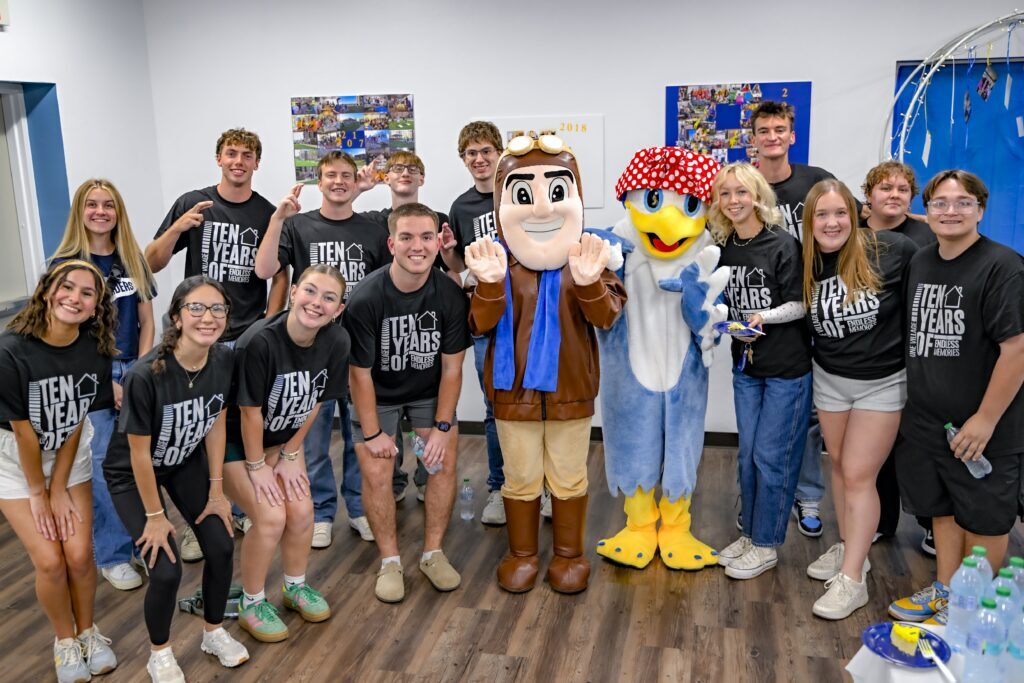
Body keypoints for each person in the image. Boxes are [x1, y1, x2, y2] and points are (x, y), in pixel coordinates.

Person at [466, 131, 626, 594]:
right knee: (519, 478)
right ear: (501, 202)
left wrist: (590, 281)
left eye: (556, 191)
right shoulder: (495, 260)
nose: (541, 209)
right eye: (523, 194)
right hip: (512, 395)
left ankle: (569, 554)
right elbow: (477, 323)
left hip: (570, 392)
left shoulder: (588, 257)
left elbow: (607, 318)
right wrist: (490, 284)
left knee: (569, 476)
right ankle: (521, 554)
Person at [145, 127, 288, 560]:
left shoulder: (266, 212)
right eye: (231, 153)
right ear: (219, 159)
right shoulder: (194, 202)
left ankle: (236, 505)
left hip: (242, 335)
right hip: (195, 336)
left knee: (241, 425)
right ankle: (195, 519)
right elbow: (150, 262)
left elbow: (279, 273)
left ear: (257, 163)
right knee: (193, 427)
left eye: (247, 155)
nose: (238, 161)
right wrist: (178, 229)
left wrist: (266, 323)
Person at [889, 170, 1024, 625]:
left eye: (963, 202)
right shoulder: (921, 262)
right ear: (927, 211)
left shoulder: (1003, 266)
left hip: (985, 428)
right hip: (928, 420)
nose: (951, 211)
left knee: (984, 520)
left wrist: (985, 420)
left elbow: (1017, 348)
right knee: (942, 511)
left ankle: (970, 610)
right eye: (941, 203)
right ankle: (946, 593)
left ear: (980, 210)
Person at [104, 276, 248, 682]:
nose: (208, 317)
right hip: (133, 473)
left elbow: (217, 421)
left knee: (220, 545)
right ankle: (159, 653)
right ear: (177, 317)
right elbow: (137, 454)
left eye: (218, 309)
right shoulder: (144, 374)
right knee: (165, 567)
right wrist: (154, 515)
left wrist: (218, 491)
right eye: (197, 308)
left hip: (183, 458)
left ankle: (214, 632)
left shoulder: (222, 359)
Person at [253, 151, 389, 549]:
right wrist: (277, 218)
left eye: (347, 176)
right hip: (310, 351)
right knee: (311, 438)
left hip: (361, 348)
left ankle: (360, 508)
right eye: (331, 175)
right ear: (319, 181)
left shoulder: (371, 228)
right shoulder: (297, 225)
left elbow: (385, 285)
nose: (339, 182)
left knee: (358, 434)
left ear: (355, 181)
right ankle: (323, 512)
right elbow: (264, 271)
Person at [801, 179, 917, 619]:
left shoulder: (890, 249)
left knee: (858, 476)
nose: (832, 223)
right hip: (830, 379)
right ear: (809, 223)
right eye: (822, 215)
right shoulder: (808, 262)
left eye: (840, 213)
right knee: (838, 465)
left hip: (882, 383)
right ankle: (854, 549)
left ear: (856, 214)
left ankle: (853, 581)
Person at [344, 202, 470, 604]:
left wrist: (444, 427)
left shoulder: (449, 294)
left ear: (438, 242)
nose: (418, 246)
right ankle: (390, 561)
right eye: (407, 237)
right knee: (379, 473)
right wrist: (372, 432)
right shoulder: (366, 298)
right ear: (392, 244)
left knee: (441, 463)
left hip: (427, 391)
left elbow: (452, 370)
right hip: (376, 393)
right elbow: (358, 375)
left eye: (426, 237)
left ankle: (433, 553)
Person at [0, 260, 118, 683]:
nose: (75, 297)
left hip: (68, 449)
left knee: (80, 554)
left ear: (96, 307)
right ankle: (64, 641)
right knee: (50, 561)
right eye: (67, 287)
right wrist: (40, 491)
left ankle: (88, 632)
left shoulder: (95, 348)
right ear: (48, 291)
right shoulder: (10, 349)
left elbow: (74, 419)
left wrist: (61, 485)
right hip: (16, 458)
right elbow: (25, 433)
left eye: (87, 293)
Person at [225, 265, 350, 642]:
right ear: (293, 292)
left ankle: (294, 587)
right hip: (233, 445)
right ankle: (252, 602)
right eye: (310, 291)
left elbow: (316, 398)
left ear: (339, 309)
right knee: (270, 516)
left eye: (329, 298)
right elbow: (249, 413)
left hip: (279, 442)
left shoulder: (336, 342)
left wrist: (292, 452)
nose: (317, 303)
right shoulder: (259, 341)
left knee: (302, 510)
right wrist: (258, 465)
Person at [749, 100, 849, 539]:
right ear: (752, 139)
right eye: (764, 130)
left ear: (792, 136)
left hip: (813, 312)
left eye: (780, 129)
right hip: (761, 318)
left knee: (808, 417)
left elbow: (860, 218)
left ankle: (807, 495)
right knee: (758, 422)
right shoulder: (745, 185)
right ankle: (755, 496)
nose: (772, 137)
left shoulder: (815, 181)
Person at [708, 163, 813, 581]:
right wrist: (725, 323)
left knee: (772, 458)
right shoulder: (722, 247)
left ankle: (767, 545)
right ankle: (750, 535)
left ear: (757, 196)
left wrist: (761, 318)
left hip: (786, 370)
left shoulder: (783, 244)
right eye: (725, 193)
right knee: (748, 457)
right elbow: (722, 306)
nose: (734, 201)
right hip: (745, 368)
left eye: (741, 192)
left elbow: (800, 304)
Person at [52, 179, 157, 592]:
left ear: (118, 212)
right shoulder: (65, 263)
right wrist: (104, 380)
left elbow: (147, 321)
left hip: (135, 370)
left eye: (108, 205)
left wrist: (139, 373)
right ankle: (113, 554)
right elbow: (63, 334)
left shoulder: (132, 258)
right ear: (80, 211)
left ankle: (146, 543)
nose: (100, 211)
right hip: (89, 374)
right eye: (92, 204)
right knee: (101, 466)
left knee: (140, 460)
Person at [356, 150, 451, 504]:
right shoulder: (371, 221)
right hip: (380, 332)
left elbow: (449, 271)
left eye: (413, 169)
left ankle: (428, 480)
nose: (405, 174)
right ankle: (391, 486)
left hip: (423, 328)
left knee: (430, 417)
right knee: (382, 427)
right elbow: (337, 214)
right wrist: (358, 189)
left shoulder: (437, 220)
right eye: (397, 169)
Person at [860, 161, 936, 552]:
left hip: (918, 355)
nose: (893, 195)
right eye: (885, 188)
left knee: (921, 443)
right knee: (877, 449)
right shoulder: (852, 235)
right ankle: (880, 519)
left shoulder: (927, 234)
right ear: (868, 195)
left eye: (902, 189)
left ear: (912, 197)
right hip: (869, 358)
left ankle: (931, 523)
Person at [443, 121, 512, 526]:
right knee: (494, 409)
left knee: (535, 405)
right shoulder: (462, 207)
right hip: (486, 318)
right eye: (472, 153)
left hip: (527, 318)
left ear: (499, 152)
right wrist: (451, 253)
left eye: (487, 150)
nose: (480, 159)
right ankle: (499, 489)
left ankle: (539, 488)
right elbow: (458, 269)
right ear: (464, 159)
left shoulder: (520, 191)